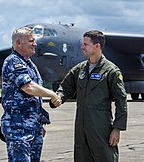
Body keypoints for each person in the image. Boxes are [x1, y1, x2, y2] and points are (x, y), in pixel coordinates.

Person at [51, 30, 128, 162]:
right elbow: (66, 87)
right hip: (81, 124)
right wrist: (59, 97)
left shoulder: (111, 71)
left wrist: (117, 128)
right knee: (81, 156)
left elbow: (121, 100)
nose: (82, 47)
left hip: (100, 124)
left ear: (97, 46)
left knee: (105, 156)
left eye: (86, 44)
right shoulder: (80, 69)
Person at [0, 27, 61, 162]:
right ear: (18, 43)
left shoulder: (30, 65)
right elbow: (29, 87)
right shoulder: (13, 61)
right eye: (31, 41)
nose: (35, 44)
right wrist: (52, 94)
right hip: (18, 126)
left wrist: (38, 122)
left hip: (32, 126)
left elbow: (34, 97)